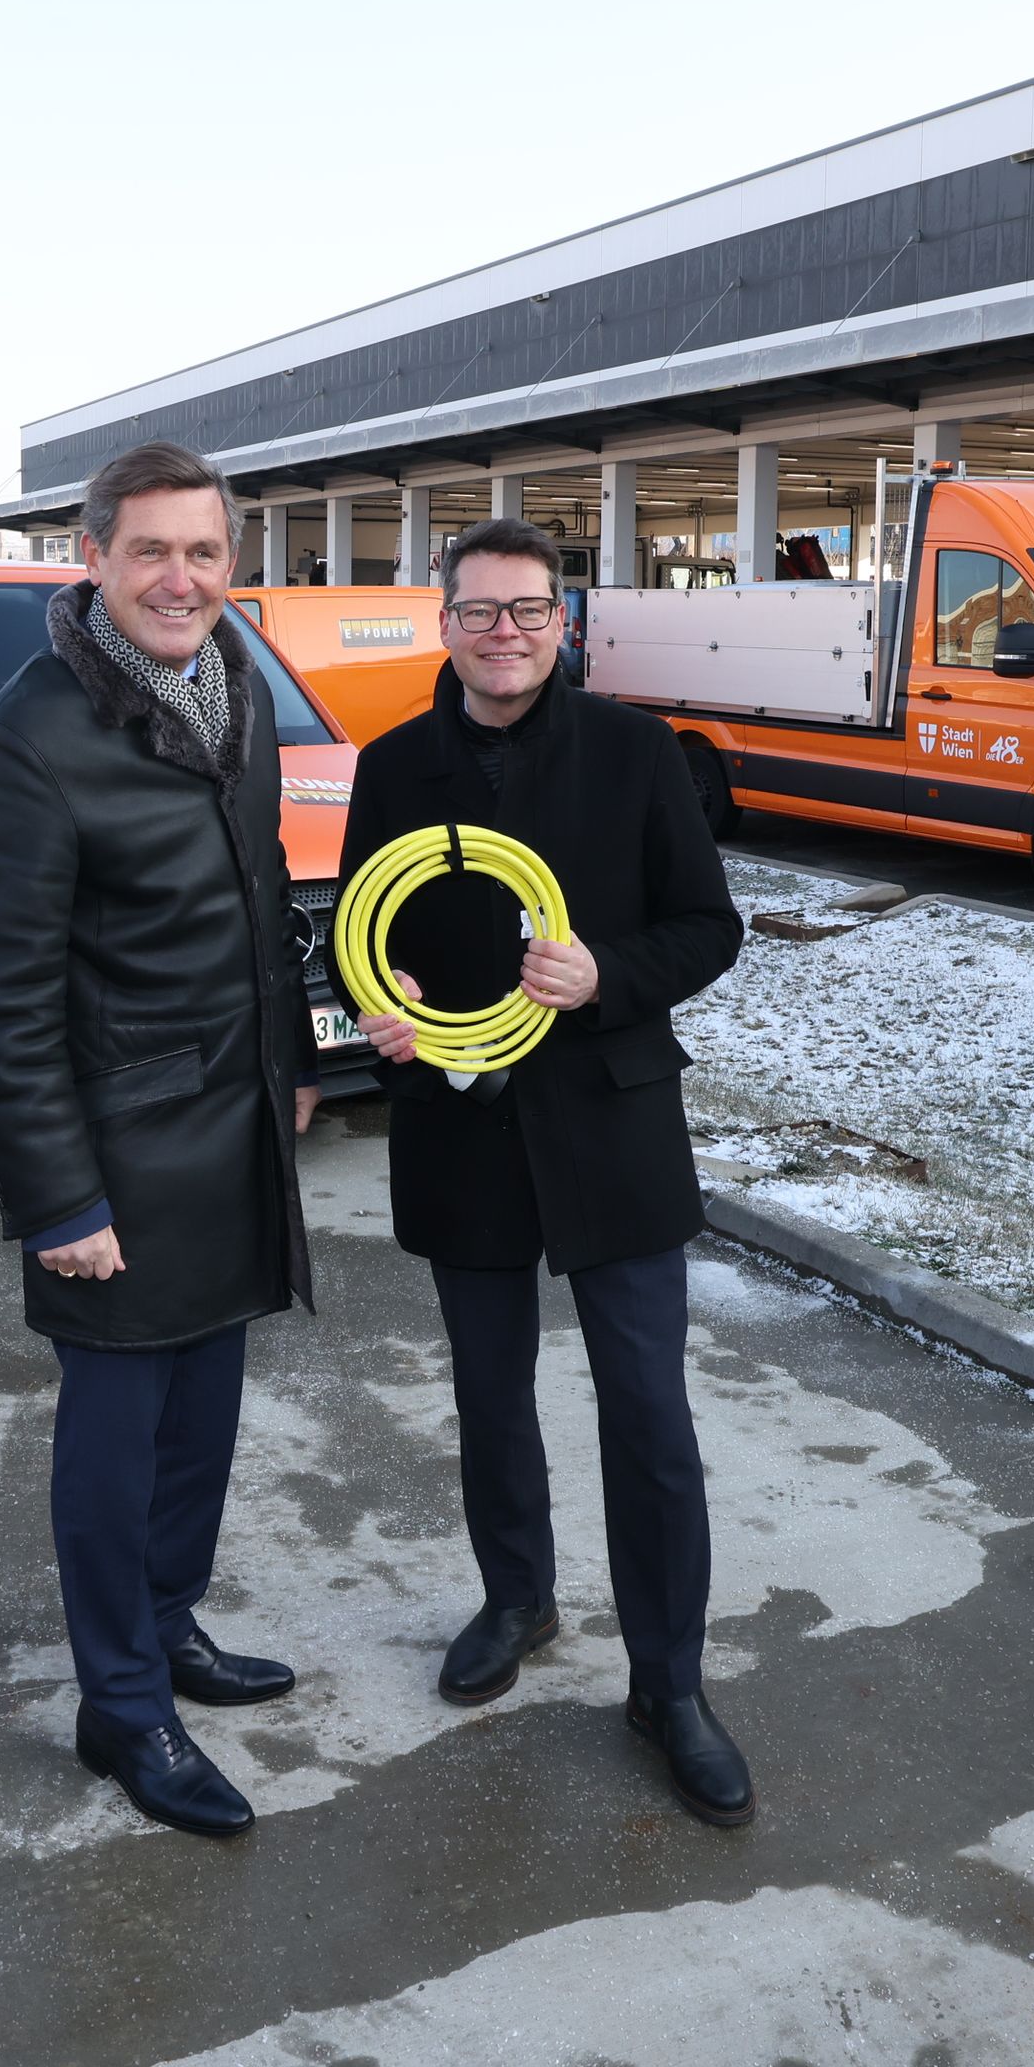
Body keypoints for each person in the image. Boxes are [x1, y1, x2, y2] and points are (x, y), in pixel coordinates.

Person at [340, 516, 754, 1826]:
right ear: (445, 623)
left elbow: (709, 926)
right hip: (462, 1124)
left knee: (649, 1414)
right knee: (489, 1393)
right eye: (479, 611)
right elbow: (358, 934)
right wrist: (381, 1008)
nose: (503, 632)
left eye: (527, 610)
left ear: (561, 622)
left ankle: (669, 1684)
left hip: (608, 1124)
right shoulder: (393, 767)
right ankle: (516, 1598)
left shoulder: (634, 752)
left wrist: (605, 975)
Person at [0, 440, 322, 1839]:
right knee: (117, 1444)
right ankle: (119, 1704)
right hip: (114, 1152)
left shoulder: (238, 689)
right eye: (151, 551)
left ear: (232, 563)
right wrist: (57, 1198)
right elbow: (1, 993)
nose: (181, 578)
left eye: (204, 551)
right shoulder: (29, 736)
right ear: (93, 558)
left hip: (230, 1125)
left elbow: (259, 890)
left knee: (203, 1419)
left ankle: (167, 1629)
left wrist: (292, 1065)